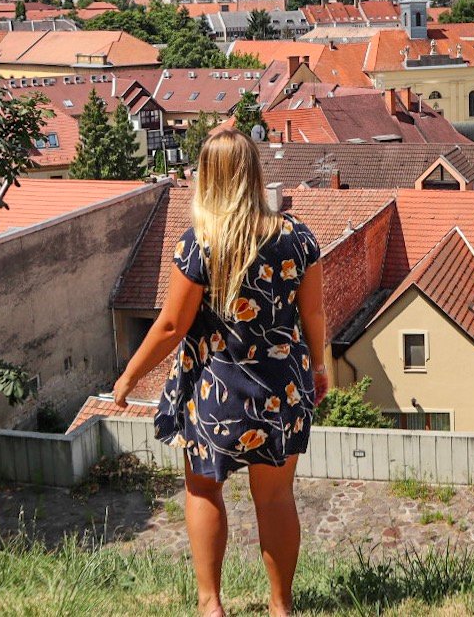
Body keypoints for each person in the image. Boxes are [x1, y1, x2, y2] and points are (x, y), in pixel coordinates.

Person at [113, 128, 327, 617]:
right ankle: (281, 607)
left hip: (218, 393)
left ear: (206, 178)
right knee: (275, 498)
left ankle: (211, 605)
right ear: (253, 174)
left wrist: (127, 378)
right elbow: (313, 315)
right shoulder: (298, 237)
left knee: (203, 487)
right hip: (280, 389)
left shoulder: (200, 245)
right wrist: (319, 365)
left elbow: (170, 326)